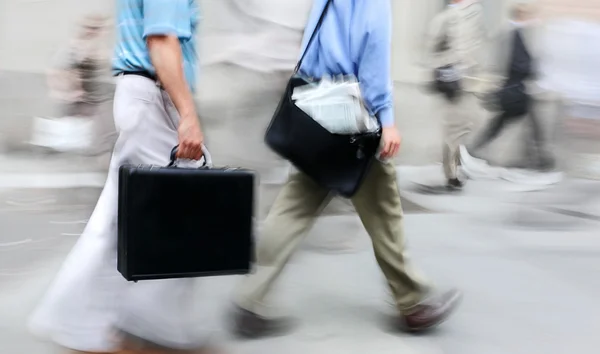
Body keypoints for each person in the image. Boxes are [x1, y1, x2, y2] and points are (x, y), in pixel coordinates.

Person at [231, 0, 462, 338]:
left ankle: (249, 300)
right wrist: (387, 119)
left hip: (318, 104)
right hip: (353, 115)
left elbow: (310, 47)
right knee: (384, 212)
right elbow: (374, 54)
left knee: (295, 206)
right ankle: (413, 303)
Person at [29, 1, 214, 353]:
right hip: (157, 96)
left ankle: (85, 322)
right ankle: (146, 328)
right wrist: (187, 114)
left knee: (127, 216)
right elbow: (161, 39)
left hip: (146, 94)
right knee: (178, 215)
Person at [466, 3, 555, 171]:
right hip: (515, 88)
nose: (530, 19)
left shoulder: (516, 34)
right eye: (527, 15)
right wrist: (531, 71)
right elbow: (517, 63)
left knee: (510, 123)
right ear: (520, 16)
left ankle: (539, 158)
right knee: (525, 123)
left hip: (516, 89)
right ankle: (541, 159)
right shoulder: (512, 35)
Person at [425, 0, 486, 191]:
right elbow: (431, 51)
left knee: (464, 125)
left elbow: (475, 46)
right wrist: (449, 64)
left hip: (466, 83)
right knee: (454, 129)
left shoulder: (473, 14)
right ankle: (451, 174)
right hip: (453, 83)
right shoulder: (444, 19)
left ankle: (457, 166)